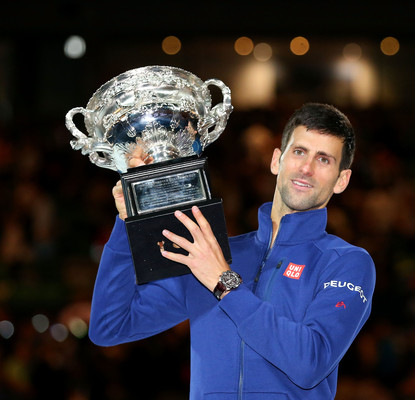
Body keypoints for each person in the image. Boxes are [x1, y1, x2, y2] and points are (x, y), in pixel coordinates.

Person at [89, 103, 376, 399]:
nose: (306, 168)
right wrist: (126, 223)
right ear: (277, 160)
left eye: (324, 160)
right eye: (299, 152)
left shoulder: (346, 263)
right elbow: (109, 326)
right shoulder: (210, 254)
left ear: (342, 180)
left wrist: (224, 281)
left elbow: (310, 363)